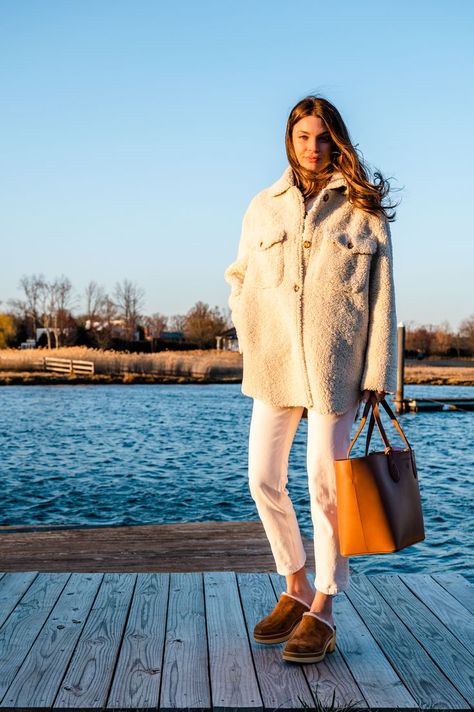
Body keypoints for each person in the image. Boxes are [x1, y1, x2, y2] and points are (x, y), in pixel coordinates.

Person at [223, 95, 398, 664]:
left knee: (324, 487)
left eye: (323, 137)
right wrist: (249, 330)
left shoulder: (362, 211)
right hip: (274, 365)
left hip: (338, 368)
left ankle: (322, 606)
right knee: (261, 478)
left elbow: (382, 298)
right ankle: (295, 583)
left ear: (337, 140)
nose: (313, 147)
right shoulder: (263, 206)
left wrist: (378, 373)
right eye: (303, 137)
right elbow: (239, 276)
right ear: (289, 140)